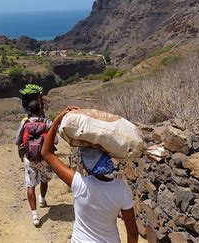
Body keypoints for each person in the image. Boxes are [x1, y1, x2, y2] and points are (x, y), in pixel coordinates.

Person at [41, 106, 138, 243]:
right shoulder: (121, 189)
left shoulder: (79, 184)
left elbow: (46, 153)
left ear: (86, 166)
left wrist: (56, 120)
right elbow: (133, 233)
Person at [15, 99, 57, 226]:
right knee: (44, 180)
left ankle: (35, 215)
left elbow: (17, 141)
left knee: (30, 185)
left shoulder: (25, 122)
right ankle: (42, 199)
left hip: (29, 158)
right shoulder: (47, 122)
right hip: (44, 158)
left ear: (28, 110)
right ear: (40, 110)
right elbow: (55, 141)